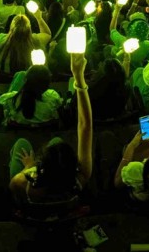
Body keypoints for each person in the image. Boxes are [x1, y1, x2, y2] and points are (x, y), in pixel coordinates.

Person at [9, 53, 92, 207]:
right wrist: (79, 78)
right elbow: (85, 125)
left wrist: (28, 167)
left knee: (22, 144)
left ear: (41, 168)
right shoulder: (80, 179)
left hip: (32, 209)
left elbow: (85, 126)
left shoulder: (23, 184)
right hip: (65, 214)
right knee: (56, 142)